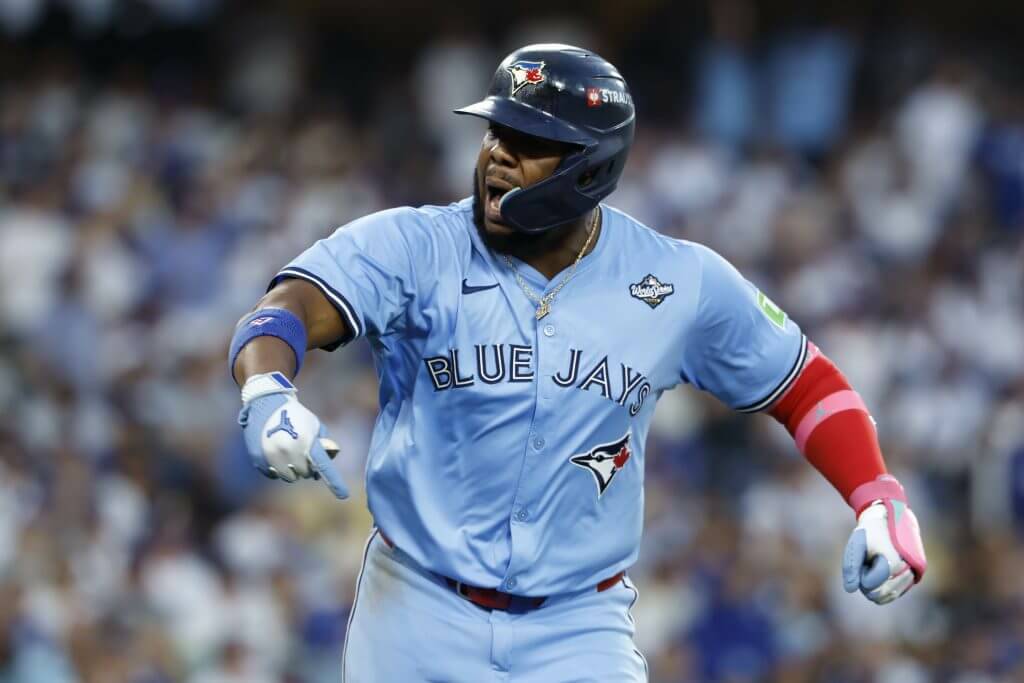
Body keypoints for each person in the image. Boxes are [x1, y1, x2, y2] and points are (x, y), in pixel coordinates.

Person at [227, 44, 927, 682]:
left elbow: (804, 382)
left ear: (591, 165)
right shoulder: (416, 245)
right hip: (416, 603)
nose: (498, 153)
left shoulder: (676, 280)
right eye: (495, 131)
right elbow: (293, 304)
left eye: (530, 142)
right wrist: (266, 386)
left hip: (577, 624)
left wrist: (877, 493)